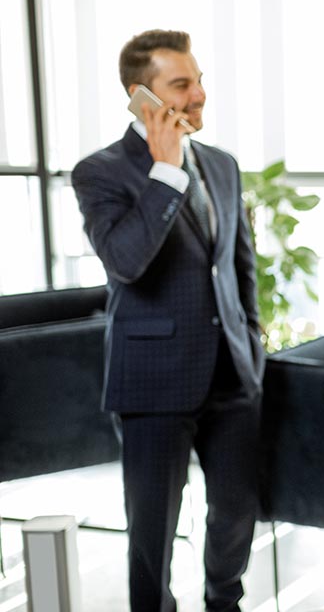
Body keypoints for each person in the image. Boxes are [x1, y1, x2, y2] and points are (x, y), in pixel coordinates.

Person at [72, 30, 264, 612]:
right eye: (182, 84)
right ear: (142, 96)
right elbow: (126, 263)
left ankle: (222, 604)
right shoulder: (99, 172)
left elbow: (239, 264)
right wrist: (165, 173)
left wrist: (252, 340)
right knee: (152, 531)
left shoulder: (224, 166)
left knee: (234, 513)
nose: (200, 94)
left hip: (232, 373)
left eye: (199, 79)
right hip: (154, 380)